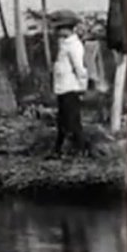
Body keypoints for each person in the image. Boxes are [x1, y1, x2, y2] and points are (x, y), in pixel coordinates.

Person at [50, 10, 90, 157]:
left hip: (71, 88)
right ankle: (59, 149)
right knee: (63, 121)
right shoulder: (65, 44)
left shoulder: (74, 45)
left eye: (61, 28)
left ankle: (80, 149)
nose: (58, 31)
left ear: (69, 28)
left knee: (72, 121)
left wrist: (82, 87)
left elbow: (80, 68)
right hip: (63, 88)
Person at [107, 0, 127, 135]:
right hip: (123, 45)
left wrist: (115, 44)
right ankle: (115, 126)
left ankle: (115, 125)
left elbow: (114, 20)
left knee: (119, 85)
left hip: (123, 45)